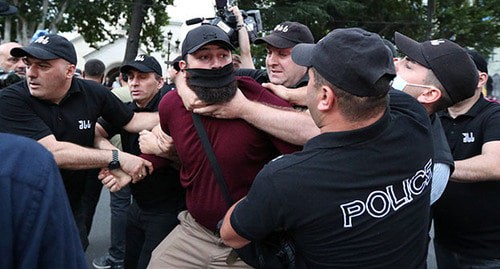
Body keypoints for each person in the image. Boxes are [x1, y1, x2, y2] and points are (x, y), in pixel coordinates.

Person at [220, 27, 434, 268]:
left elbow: (231, 235)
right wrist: (289, 95)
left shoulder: (286, 179)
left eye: (310, 79)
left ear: (325, 97)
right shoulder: (415, 118)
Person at [104, 24, 300, 268]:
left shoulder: (254, 95)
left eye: (222, 55)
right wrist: (138, 166)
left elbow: (302, 156)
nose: (216, 64)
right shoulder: (172, 105)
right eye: (204, 57)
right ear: (184, 67)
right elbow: (167, 148)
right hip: (194, 231)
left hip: (249, 241)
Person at [0, 34, 158, 249]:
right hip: (21, 206)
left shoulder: (94, 93)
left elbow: (132, 121)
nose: (31, 73)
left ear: (69, 71)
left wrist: (182, 110)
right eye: (29, 65)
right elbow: (54, 152)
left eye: (43, 66)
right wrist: (116, 157)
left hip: (71, 205)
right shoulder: (11, 99)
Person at [95, 54, 186, 269]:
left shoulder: (174, 108)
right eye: (130, 77)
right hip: (137, 205)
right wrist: (118, 158)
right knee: (130, 261)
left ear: (160, 82)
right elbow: (95, 133)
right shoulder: (125, 108)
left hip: (168, 208)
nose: (134, 83)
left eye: (143, 77)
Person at [392, 32, 479, 204]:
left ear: (429, 94)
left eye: (408, 65)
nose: (395, 63)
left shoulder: (434, 166)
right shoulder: (376, 112)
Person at [433, 50, 500, 268]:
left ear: (481, 78)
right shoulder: (434, 116)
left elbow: (495, 164)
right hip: (445, 242)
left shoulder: (493, 115)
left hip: (487, 250)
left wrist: (436, 169)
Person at [0, 133, 87, 269]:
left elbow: (107, 125)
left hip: (73, 195)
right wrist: (115, 157)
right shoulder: (24, 160)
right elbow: (53, 150)